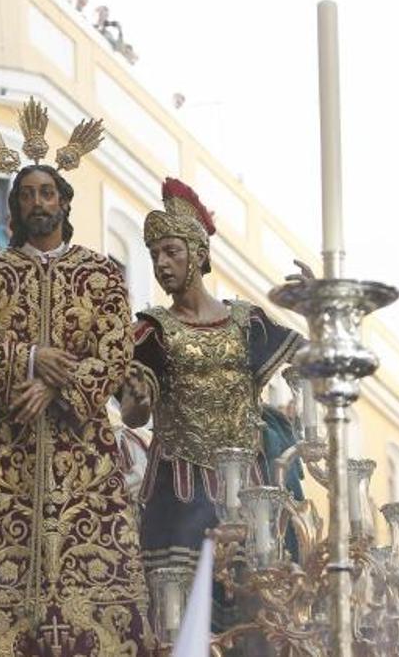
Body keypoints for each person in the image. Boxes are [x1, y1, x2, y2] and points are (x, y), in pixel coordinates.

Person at [0, 100, 152, 656]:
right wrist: (28, 361)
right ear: (16, 208)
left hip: (82, 450)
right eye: (28, 194)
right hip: (6, 450)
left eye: (48, 193)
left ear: (63, 202)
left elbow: (115, 349)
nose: (39, 202)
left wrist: (60, 383)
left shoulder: (102, 273)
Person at [116, 177, 304, 577]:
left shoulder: (246, 322)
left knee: (261, 600)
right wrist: (138, 403)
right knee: (176, 614)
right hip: (178, 491)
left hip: (249, 486)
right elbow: (133, 409)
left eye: (171, 252)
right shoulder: (151, 330)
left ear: (198, 253)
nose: (162, 264)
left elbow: (310, 361)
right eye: (154, 255)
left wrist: (315, 308)